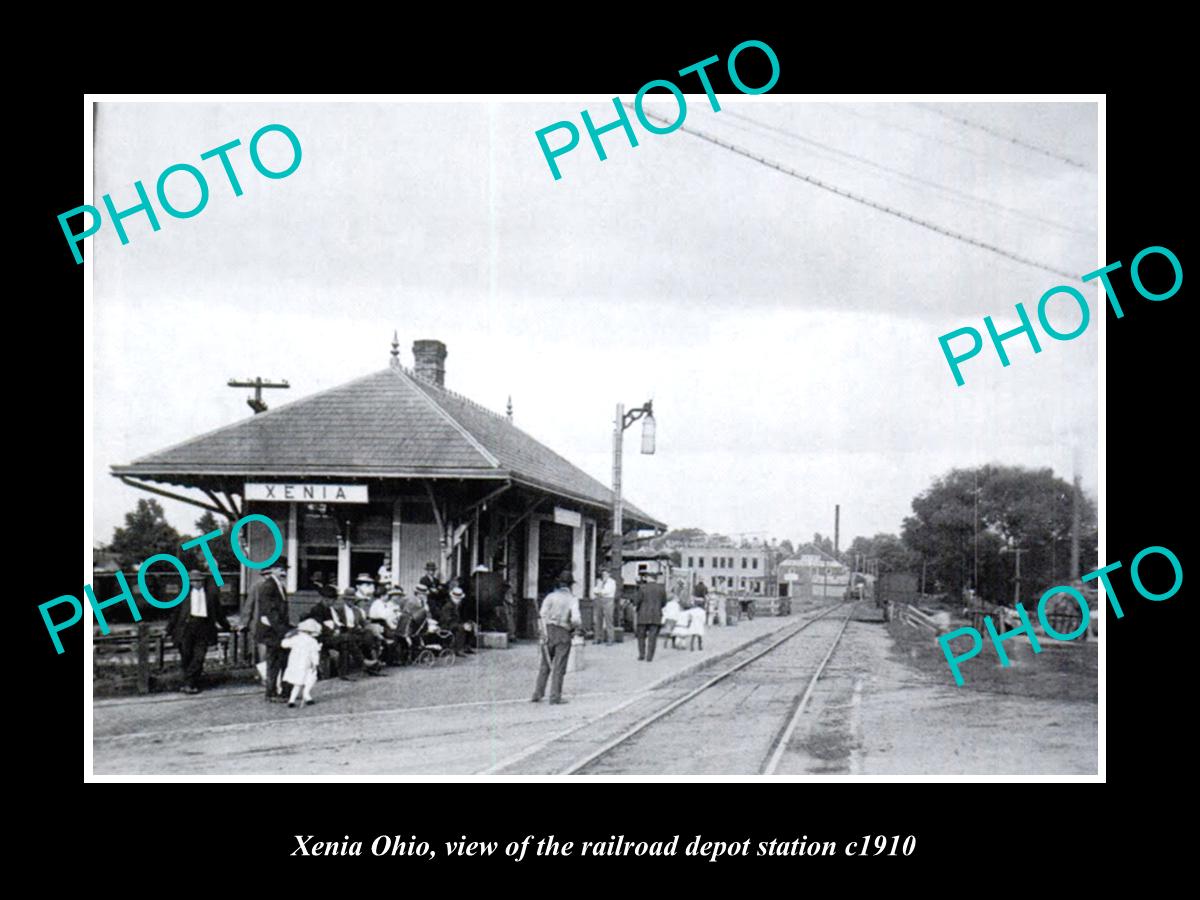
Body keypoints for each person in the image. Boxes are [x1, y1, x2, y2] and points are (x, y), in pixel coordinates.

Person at [167, 562, 232, 694]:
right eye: (193, 581)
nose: (196, 583)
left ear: (203, 581)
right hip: (186, 628)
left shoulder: (210, 596)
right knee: (186, 657)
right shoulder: (183, 596)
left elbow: (219, 613)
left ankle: (188, 682)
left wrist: (228, 627)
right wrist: (168, 629)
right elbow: (175, 614)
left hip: (203, 627)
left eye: (198, 581)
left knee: (199, 657)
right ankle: (190, 684)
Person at [531, 569, 581, 704]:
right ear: (570, 585)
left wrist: (542, 633)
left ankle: (537, 693)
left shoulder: (550, 597)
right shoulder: (572, 599)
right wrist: (575, 628)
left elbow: (541, 615)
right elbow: (576, 619)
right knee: (559, 666)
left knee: (545, 664)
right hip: (563, 632)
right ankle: (554, 696)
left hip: (548, 631)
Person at [245, 562, 290, 702]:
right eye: (282, 569)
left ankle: (282, 691)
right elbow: (270, 612)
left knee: (281, 660)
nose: (284, 573)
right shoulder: (268, 586)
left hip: (277, 630)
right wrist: (284, 630)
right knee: (274, 662)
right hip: (272, 632)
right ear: (274, 570)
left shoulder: (279, 586)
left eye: (285, 570)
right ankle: (271, 693)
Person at [281, 619, 323, 707]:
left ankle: (291, 700)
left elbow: (284, 644)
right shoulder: (312, 641)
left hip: (295, 663)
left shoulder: (296, 638)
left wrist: (288, 637)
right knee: (311, 679)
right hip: (307, 663)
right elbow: (314, 653)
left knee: (298, 682)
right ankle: (306, 694)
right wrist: (316, 663)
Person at [635, 571, 667, 662]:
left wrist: (637, 609)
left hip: (643, 615)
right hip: (656, 615)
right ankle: (649, 657)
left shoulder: (642, 588)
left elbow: (638, 601)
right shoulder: (661, 588)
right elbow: (664, 603)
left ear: (648, 578)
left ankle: (641, 655)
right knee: (652, 638)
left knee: (641, 636)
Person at [437, 586, 476, 657]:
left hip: (454, 624)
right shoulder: (448, 606)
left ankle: (467, 646)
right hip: (446, 625)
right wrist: (461, 625)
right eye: (457, 598)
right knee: (461, 628)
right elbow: (448, 620)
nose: (459, 600)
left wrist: (466, 623)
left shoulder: (457, 606)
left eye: (459, 599)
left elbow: (459, 618)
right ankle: (458, 649)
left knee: (470, 625)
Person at [592, 565, 617, 645]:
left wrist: (599, 591)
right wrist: (599, 590)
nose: (604, 575)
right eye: (603, 574)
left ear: (609, 574)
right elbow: (594, 590)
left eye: (606, 574)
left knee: (609, 620)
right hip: (599, 600)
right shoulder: (599, 581)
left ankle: (610, 639)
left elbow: (607, 591)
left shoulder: (612, 582)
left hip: (608, 600)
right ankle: (597, 638)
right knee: (598, 620)